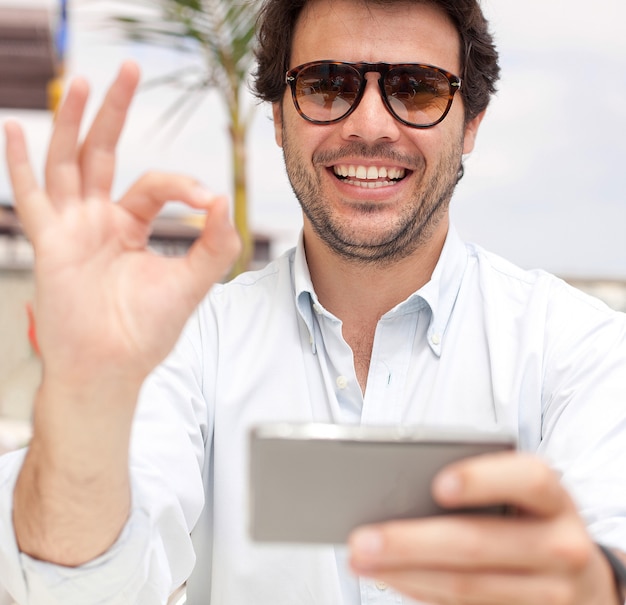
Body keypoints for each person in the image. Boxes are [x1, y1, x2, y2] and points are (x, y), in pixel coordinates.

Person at [1, 0, 625, 603]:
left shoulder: (581, 352)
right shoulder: (187, 345)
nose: (370, 125)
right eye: (327, 85)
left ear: (472, 124)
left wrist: (591, 588)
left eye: (418, 89)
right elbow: (77, 589)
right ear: (279, 117)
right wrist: (84, 398)